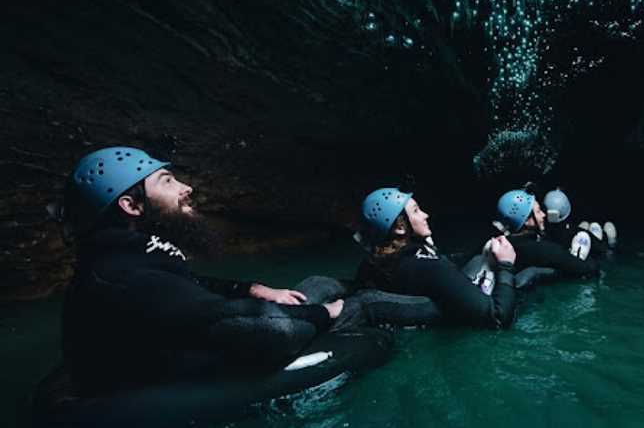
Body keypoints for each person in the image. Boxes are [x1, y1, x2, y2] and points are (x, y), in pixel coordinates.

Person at [44, 147, 357, 397]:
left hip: (180, 338)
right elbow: (264, 329)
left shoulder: (129, 251)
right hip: (137, 384)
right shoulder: (122, 275)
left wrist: (252, 289)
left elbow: (184, 285)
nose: (186, 188)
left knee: (318, 283)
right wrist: (324, 313)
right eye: (167, 181)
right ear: (131, 205)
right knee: (343, 308)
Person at [354, 187, 517, 329]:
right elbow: (498, 317)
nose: (426, 215)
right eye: (416, 211)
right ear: (400, 227)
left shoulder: (371, 264)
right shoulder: (431, 268)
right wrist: (506, 265)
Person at [495, 186, 598, 280]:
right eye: (539, 211)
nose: (544, 215)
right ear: (526, 220)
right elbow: (588, 268)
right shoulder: (545, 250)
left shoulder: (501, 244)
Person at [543, 188, 614, 259]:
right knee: (592, 230)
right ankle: (609, 238)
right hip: (592, 245)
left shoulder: (540, 235)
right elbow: (605, 251)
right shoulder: (577, 233)